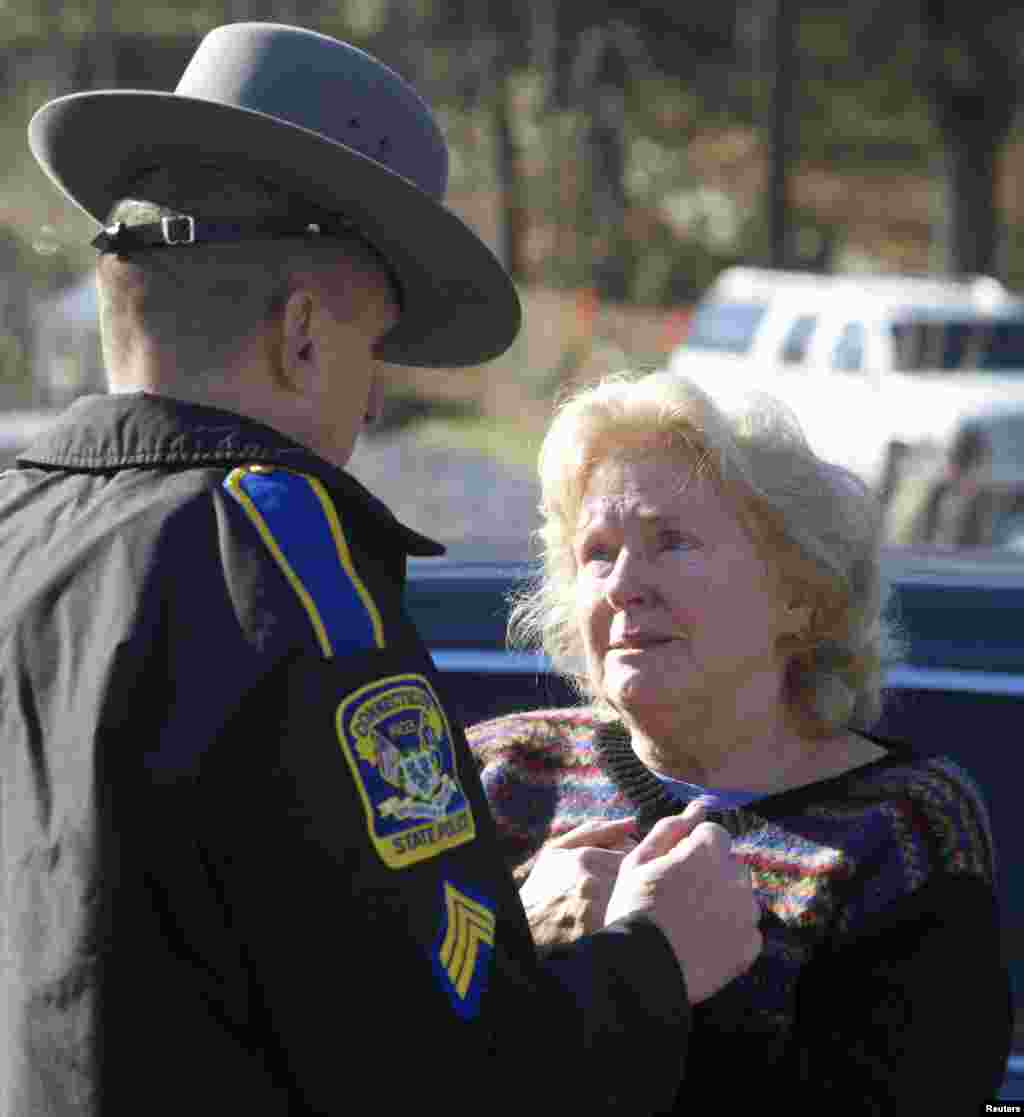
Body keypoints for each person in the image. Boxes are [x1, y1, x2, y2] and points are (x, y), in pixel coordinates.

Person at [3, 24, 762, 1116]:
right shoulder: (278, 563)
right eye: (373, 354)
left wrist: (505, 926)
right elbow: (449, 1075)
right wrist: (658, 957)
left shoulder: (19, 527)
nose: (369, 407)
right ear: (304, 333)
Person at [467, 370, 1014, 1111]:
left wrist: (649, 963)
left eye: (670, 542)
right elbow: (363, 1041)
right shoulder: (504, 771)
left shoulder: (903, 827)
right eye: (597, 551)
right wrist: (521, 929)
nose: (625, 583)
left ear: (797, 593)